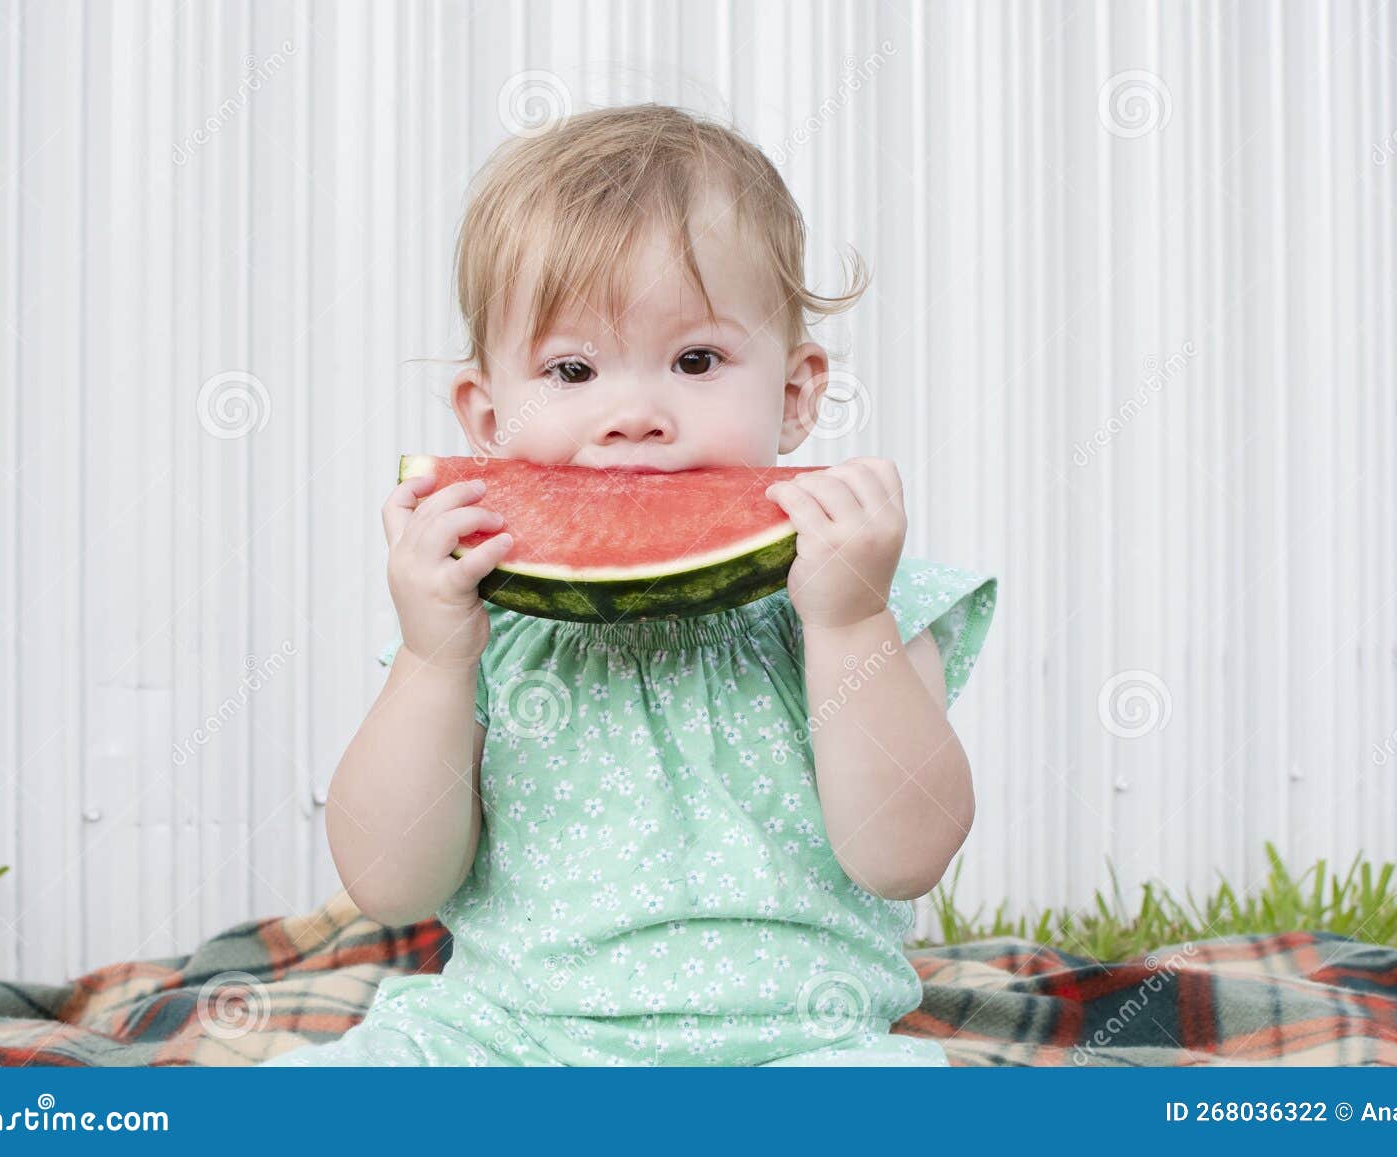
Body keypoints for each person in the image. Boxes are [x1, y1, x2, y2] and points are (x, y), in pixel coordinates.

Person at [260, 103, 997, 1067]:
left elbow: (906, 854)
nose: (634, 414)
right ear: (485, 413)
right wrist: (435, 659)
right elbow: (391, 882)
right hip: (508, 1040)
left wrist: (850, 622)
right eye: (571, 369)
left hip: (796, 1045)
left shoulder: (861, 598)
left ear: (796, 393)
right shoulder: (485, 621)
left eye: (696, 360)